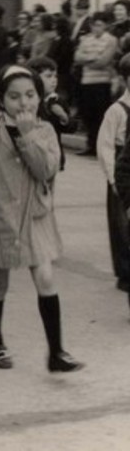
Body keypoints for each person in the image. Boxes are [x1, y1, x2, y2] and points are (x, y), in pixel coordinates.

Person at [0, 65, 84, 373]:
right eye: (14, 97)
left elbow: (45, 170)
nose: (24, 103)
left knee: (45, 278)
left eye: (30, 95)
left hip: (35, 217)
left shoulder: (45, 131)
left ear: (40, 97)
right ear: (1, 100)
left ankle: (56, 351)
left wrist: (29, 136)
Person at [97, 53, 130, 293]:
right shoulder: (116, 111)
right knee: (121, 224)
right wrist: (112, 176)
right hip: (123, 169)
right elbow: (105, 146)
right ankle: (125, 272)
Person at [74, 11, 118, 156]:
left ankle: (102, 147)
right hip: (87, 82)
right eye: (93, 25)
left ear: (105, 26)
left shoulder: (111, 40)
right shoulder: (85, 39)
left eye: (99, 25)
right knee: (88, 115)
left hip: (102, 82)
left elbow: (104, 61)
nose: (96, 28)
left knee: (101, 115)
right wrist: (93, 57)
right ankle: (91, 145)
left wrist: (88, 59)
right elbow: (77, 57)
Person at [27, 56, 75, 171]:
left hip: (52, 154)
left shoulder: (58, 101)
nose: (54, 80)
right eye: (48, 76)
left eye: (55, 76)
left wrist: (64, 117)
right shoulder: (27, 100)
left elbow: (71, 128)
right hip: (31, 151)